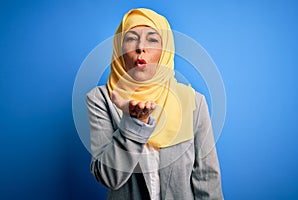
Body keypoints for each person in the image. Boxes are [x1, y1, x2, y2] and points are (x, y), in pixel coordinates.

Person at [86, 8, 224, 200]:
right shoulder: (101, 99)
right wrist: (135, 124)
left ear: (165, 50)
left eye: (152, 39)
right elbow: (109, 177)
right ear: (119, 49)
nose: (141, 46)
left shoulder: (193, 102)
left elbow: (207, 179)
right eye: (131, 38)